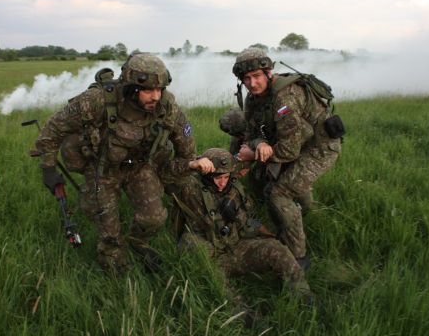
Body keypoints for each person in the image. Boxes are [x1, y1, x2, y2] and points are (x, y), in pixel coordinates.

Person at [34, 52, 212, 274]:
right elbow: (54, 127)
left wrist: (186, 170)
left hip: (139, 167)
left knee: (154, 218)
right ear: (131, 87)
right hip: (103, 169)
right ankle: (114, 262)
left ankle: (137, 241)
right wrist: (48, 167)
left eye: (160, 89)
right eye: (148, 90)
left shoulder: (167, 106)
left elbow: (185, 141)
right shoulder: (97, 100)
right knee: (108, 232)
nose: (156, 96)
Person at [233, 48, 342, 270]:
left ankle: (298, 257)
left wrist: (253, 155)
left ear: (268, 72)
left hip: (319, 149)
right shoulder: (254, 98)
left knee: (279, 193)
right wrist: (258, 145)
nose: (252, 83)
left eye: (257, 76)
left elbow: (289, 152)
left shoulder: (286, 97)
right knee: (286, 187)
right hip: (298, 142)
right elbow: (251, 133)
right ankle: (297, 216)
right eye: (247, 78)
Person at [171, 148, 313, 302]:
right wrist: (192, 164)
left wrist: (267, 233)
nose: (222, 183)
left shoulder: (234, 189)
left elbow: (247, 220)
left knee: (276, 248)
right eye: (217, 178)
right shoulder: (190, 188)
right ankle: (239, 310)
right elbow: (168, 174)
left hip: (235, 248)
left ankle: (303, 295)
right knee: (192, 245)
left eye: (226, 177)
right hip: (209, 256)